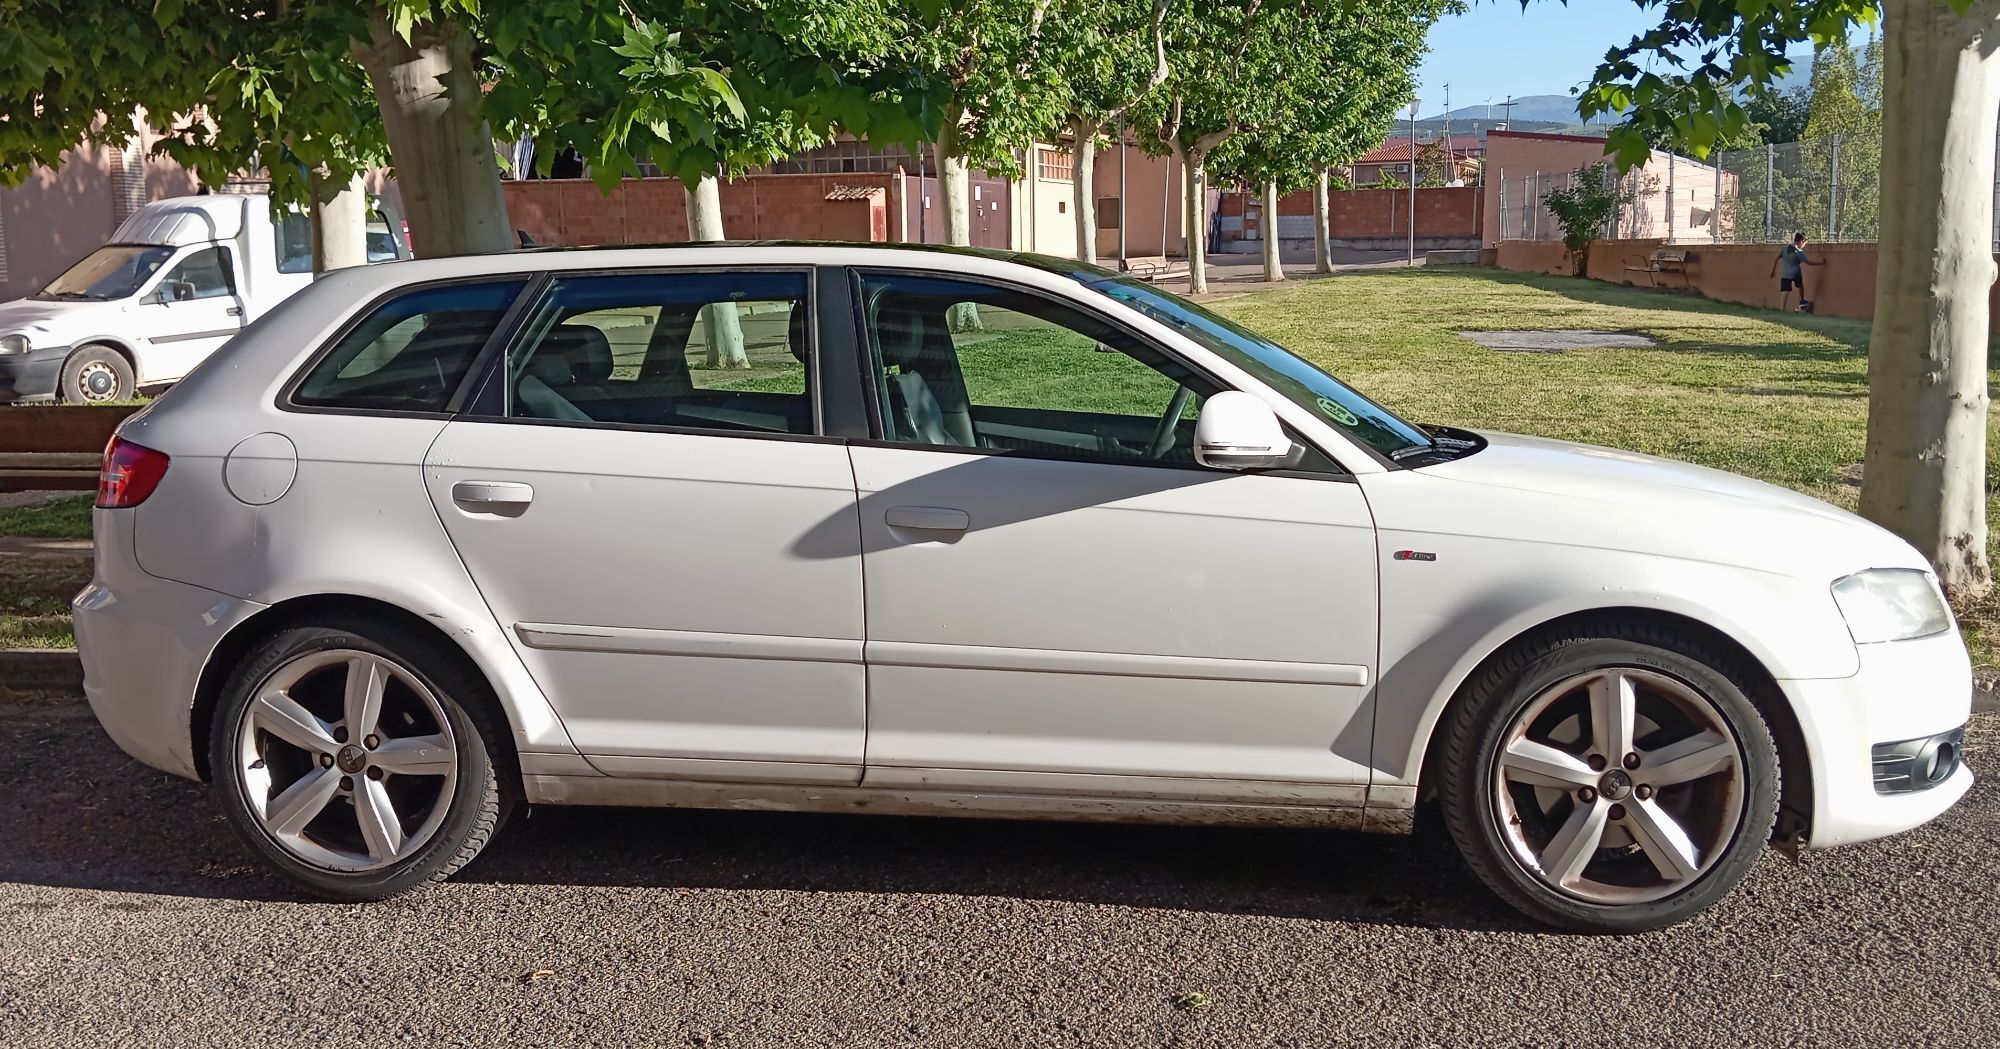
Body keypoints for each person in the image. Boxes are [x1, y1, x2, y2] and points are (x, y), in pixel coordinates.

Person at [1770, 232, 1823, 312]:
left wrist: (1773, 271)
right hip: (1795, 274)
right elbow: (1809, 262)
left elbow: (1777, 258)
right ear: (1801, 241)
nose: (1804, 245)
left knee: (1785, 291)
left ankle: (1782, 309)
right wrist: (1820, 263)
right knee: (1800, 285)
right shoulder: (1799, 252)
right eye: (1804, 243)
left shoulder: (1785, 248)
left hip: (1785, 274)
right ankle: (1801, 300)